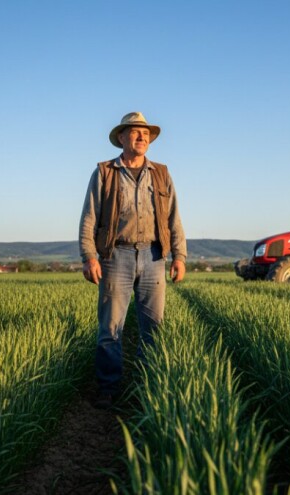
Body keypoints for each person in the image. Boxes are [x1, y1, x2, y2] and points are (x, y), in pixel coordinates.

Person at [79, 111, 187, 409]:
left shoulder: (162, 173)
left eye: (146, 134)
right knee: (110, 328)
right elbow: (90, 217)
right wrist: (89, 256)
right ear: (122, 138)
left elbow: (173, 218)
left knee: (154, 327)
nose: (142, 137)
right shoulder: (105, 172)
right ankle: (108, 389)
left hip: (154, 256)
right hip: (116, 256)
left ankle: (146, 387)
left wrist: (179, 256)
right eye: (136, 132)